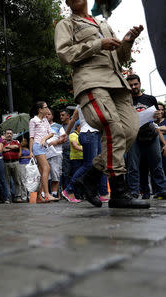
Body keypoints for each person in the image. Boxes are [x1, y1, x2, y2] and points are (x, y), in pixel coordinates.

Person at [55, 0, 149, 208]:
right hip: (91, 81)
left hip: (117, 83)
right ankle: (118, 192)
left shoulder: (103, 25)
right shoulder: (67, 24)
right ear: (68, 2)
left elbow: (121, 58)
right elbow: (63, 54)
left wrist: (127, 42)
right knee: (111, 126)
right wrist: (98, 44)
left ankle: (90, 175)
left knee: (129, 132)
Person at [125, 74, 166, 199]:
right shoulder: (125, 101)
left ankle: (162, 190)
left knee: (157, 165)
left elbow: (157, 121)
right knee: (132, 166)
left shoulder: (150, 99)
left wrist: (158, 116)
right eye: (131, 85)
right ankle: (134, 191)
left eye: (135, 84)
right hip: (134, 137)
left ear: (140, 84)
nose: (133, 87)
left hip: (151, 135)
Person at [64, 107, 110, 203]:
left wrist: (66, 133)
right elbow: (73, 119)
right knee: (89, 164)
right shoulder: (84, 101)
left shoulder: (88, 100)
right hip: (89, 134)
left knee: (100, 164)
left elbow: (73, 119)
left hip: (95, 134)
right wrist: (66, 134)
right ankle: (69, 189)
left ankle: (104, 193)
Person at [29, 101, 56, 202]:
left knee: (42, 171)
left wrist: (44, 139)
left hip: (43, 146)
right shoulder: (33, 120)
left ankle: (40, 196)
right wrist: (31, 152)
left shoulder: (45, 120)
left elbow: (51, 133)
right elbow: (31, 137)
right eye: (45, 107)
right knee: (46, 168)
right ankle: (47, 194)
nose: (47, 109)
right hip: (37, 146)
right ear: (40, 110)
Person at [45, 109, 66, 199]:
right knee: (45, 176)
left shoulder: (58, 126)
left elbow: (64, 138)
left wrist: (55, 142)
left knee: (55, 175)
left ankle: (54, 194)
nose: (47, 116)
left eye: (49, 114)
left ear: (52, 116)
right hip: (43, 154)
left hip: (56, 153)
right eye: (46, 114)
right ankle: (44, 195)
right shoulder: (41, 126)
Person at [2, 129, 23, 203]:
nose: (9, 135)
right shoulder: (2, 142)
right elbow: (2, 149)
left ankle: (18, 196)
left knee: (17, 180)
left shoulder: (16, 141)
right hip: (6, 163)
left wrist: (8, 147)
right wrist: (11, 147)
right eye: (7, 133)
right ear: (5, 134)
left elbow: (16, 147)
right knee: (7, 181)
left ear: (12, 134)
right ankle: (8, 197)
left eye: (11, 133)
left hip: (15, 162)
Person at [60, 109, 72, 192]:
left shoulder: (74, 125)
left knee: (74, 171)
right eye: (60, 115)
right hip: (64, 152)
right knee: (66, 172)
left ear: (68, 116)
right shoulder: (60, 127)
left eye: (63, 115)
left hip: (75, 151)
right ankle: (67, 191)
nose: (61, 117)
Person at [18, 135, 30, 201]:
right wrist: (20, 147)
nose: (24, 143)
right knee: (23, 180)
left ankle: (29, 195)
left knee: (29, 179)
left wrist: (24, 157)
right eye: (22, 141)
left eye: (25, 141)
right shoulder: (20, 149)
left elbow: (31, 156)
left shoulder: (29, 149)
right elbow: (19, 156)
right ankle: (24, 196)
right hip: (21, 164)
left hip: (28, 164)